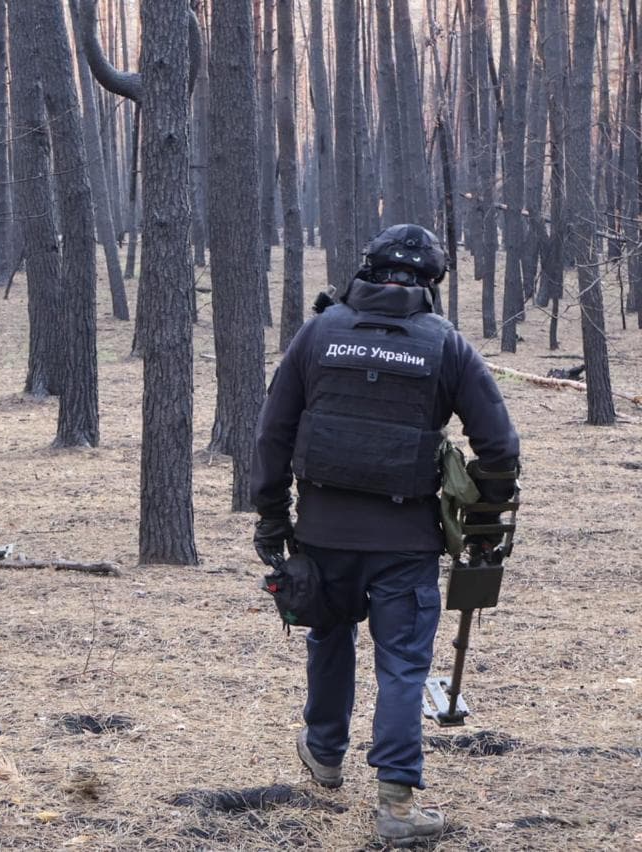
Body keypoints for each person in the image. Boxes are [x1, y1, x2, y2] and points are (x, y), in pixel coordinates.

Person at [250, 224, 520, 847]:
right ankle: (396, 805)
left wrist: (271, 515)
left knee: (328, 635)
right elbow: (499, 446)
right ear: (431, 283)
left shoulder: (319, 334)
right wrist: (485, 520)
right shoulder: (445, 345)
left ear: (365, 270)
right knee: (402, 666)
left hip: (321, 532)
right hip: (407, 540)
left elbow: (272, 432)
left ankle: (324, 753)